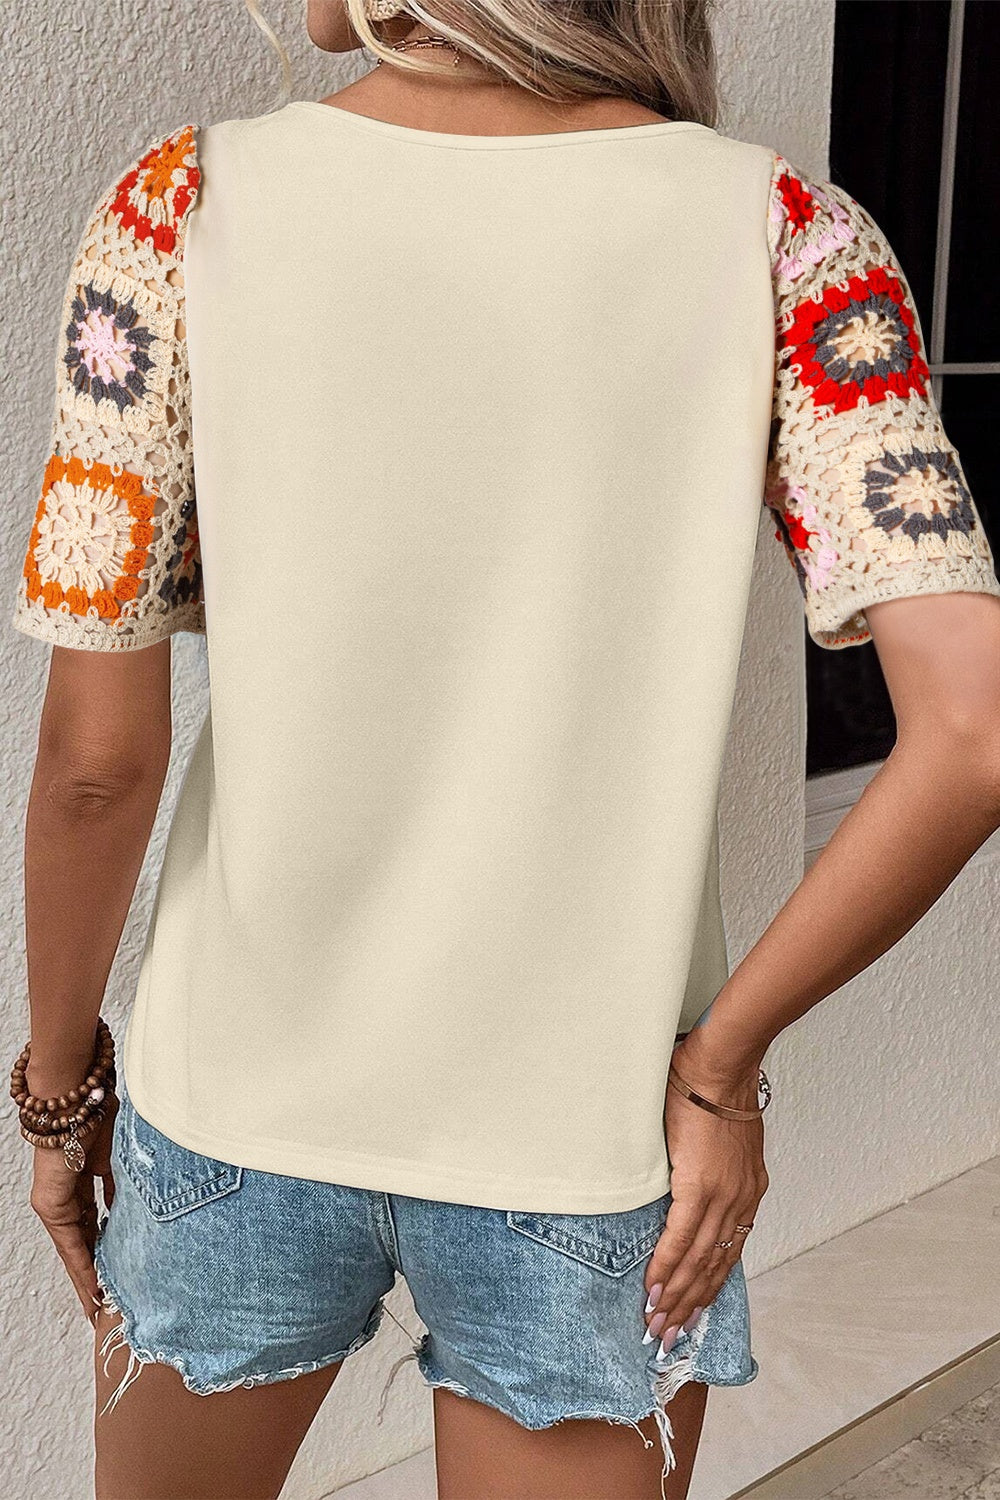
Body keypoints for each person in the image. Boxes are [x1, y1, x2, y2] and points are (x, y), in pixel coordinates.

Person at [10, 2, 1000, 1497]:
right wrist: (721, 1071)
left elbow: (97, 765)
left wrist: (59, 1091)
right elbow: (970, 734)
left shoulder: (177, 212)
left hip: (235, 1111)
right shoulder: (790, 239)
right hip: (593, 1140)